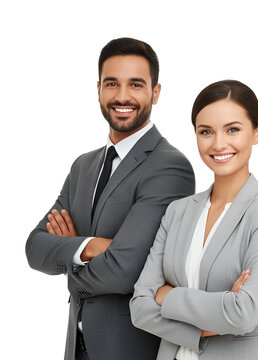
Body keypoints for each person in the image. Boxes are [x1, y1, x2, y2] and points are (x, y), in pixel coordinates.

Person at [25, 37, 195, 360]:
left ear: (155, 93)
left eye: (135, 84)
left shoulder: (169, 166)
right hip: (76, 351)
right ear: (99, 88)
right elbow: (34, 247)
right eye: (112, 83)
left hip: (130, 350)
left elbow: (124, 271)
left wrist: (68, 257)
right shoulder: (82, 166)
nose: (122, 96)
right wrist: (89, 246)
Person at [130, 80, 258, 360]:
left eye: (233, 129)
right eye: (206, 132)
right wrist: (214, 320)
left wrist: (166, 296)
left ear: (256, 132)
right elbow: (140, 308)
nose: (219, 143)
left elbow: (244, 314)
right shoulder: (177, 211)